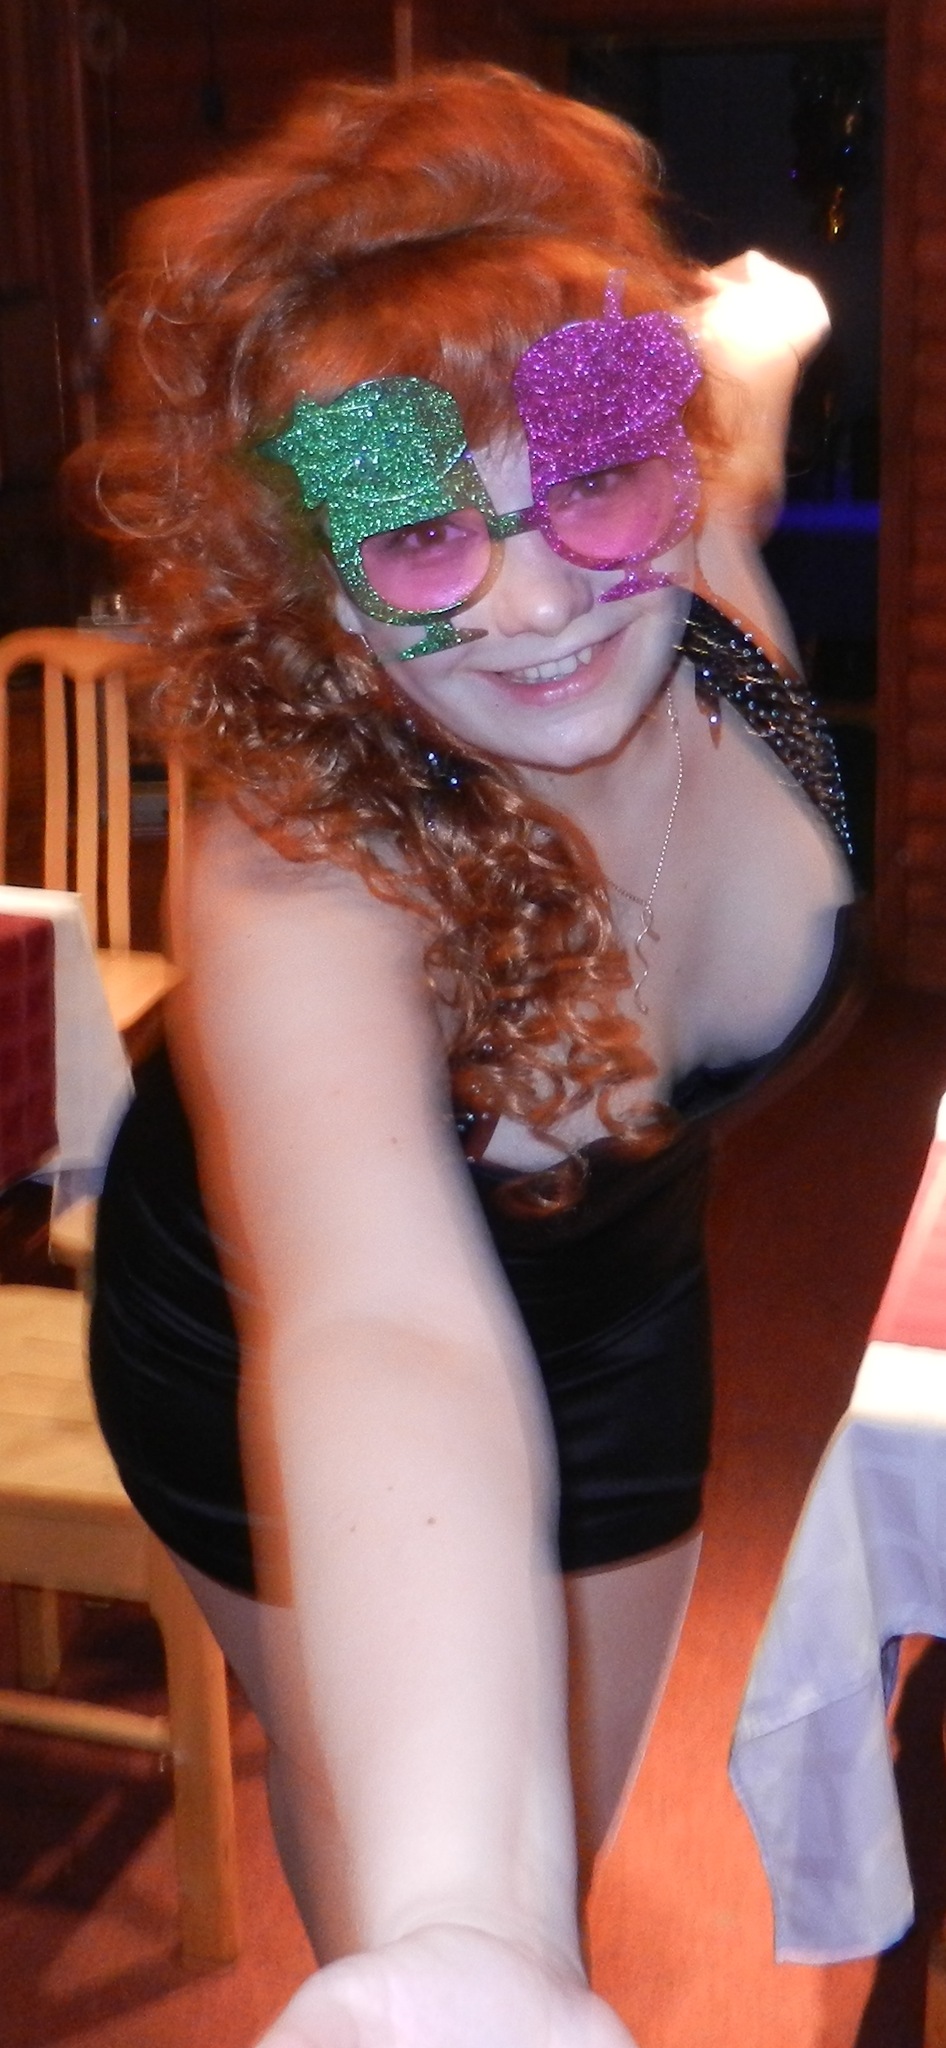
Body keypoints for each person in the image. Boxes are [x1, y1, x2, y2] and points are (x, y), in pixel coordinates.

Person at [78, 63, 856, 2048]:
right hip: (267, 1325)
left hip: (626, 1308)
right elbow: (381, 1330)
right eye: (420, 533)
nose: (536, 598)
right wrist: (449, 1926)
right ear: (316, 588)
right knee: (439, 1901)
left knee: (565, 1859)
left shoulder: (686, 533)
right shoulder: (301, 865)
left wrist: (760, 324)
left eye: (589, 485)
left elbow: (730, 378)